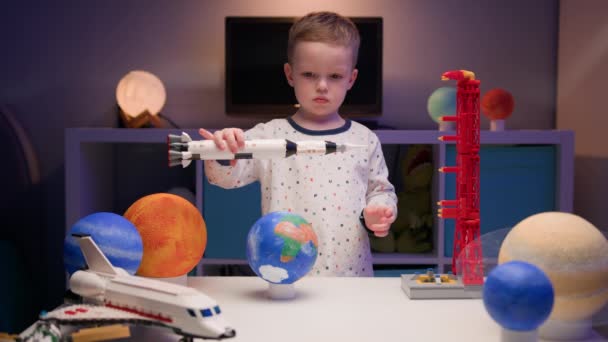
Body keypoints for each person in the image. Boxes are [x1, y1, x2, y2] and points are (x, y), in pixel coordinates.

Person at [200, 11, 397, 276]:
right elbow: (226, 177)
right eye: (309, 74)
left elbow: (380, 190)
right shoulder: (268, 135)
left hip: (351, 278)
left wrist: (380, 211)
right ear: (290, 74)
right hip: (285, 278)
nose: (322, 86)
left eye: (335, 76)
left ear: (351, 78)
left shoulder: (365, 140)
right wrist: (225, 148)